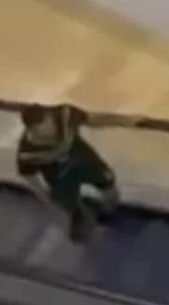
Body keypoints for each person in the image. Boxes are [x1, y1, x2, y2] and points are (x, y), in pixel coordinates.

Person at [17, 103, 121, 243]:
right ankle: (81, 215)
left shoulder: (65, 114)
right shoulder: (27, 154)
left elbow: (93, 120)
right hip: (60, 176)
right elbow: (31, 180)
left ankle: (107, 214)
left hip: (83, 160)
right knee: (74, 213)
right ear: (31, 130)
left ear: (50, 116)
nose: (50, 134)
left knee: (111, 191)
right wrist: (49, 201)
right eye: (42, 134)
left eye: (50, 127)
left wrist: (122, 120)